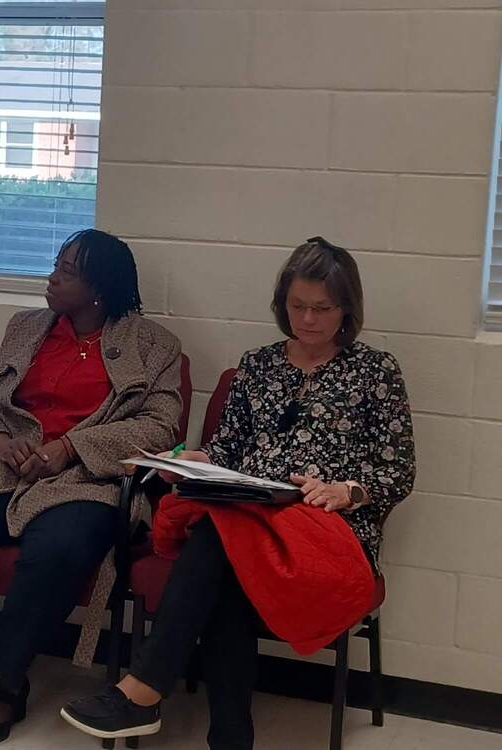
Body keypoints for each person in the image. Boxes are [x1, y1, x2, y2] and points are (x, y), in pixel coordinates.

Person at [61, 237, 416, 749]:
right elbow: (227, 449)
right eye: (297, 305)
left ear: (347, 309)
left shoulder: (375, 372)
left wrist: (347, 490)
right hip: (251, 516)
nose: (308, 319)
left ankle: (144, 691)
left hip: (327, 527)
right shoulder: (257, 365)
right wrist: (197, 462)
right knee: (226, 553)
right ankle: (226, 738)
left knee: (219, 545)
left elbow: (397, 470)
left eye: (322, 308)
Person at [0, 229, 184, 748]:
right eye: (56, 265)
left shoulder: (155, 345)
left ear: (99, 288)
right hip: (4, 467)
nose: (51, 278)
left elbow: (161, 426)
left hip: (87, 479)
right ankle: (5, 679)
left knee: (57, 550)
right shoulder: (26, 326)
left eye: (67, 272)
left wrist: (72, 447)